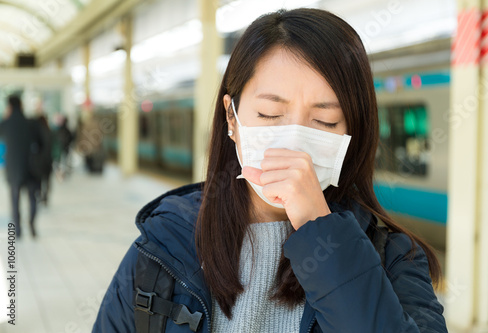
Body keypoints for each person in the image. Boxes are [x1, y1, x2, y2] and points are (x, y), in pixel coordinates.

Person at [93, 8, 447, 332]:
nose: (293, 143)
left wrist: (318, 228)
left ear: (353, 131)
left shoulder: (395, 258)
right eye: (269, 115)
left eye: (325, 120)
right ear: (231, 117)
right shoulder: (162, 248)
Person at [0, 95, 43, 238]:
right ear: (22, 105)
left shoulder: (6, 123)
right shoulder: (31, 123)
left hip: (14, 169)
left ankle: (17, 229)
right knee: (32, 198)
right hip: (31, 167)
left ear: (10, 107)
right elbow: (41, 143)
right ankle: (31, 225)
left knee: (15, 199)